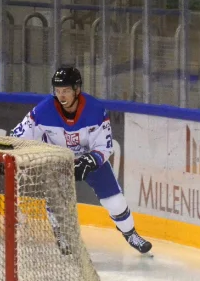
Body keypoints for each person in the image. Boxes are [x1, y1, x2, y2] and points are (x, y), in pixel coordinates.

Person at [11, 66, 152, 254]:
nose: (61, 96)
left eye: (66, 91)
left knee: (115, 201)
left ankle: (131, 234)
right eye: (58, 91)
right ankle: (61, 234)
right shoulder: (43, 110)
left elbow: (104, 146)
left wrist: (90, 160)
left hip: (90, 160)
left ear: (77, 90)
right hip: (58, 160)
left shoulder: (95, 110)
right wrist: (6, 156)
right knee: (55, 198)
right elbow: (18, 137)